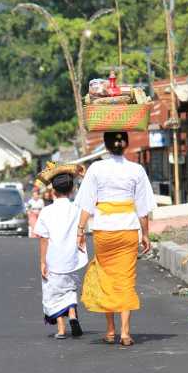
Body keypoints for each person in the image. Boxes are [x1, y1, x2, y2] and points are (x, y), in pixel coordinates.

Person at [74, 131, 156, 346]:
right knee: (125, 279)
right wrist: (145, 234)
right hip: (128, 230)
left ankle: (110, 331)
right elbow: (143, 209)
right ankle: (126, 333)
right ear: (126, 145)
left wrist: (80, 231)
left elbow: (86, 204)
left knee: (106, 277)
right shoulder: (136, 170)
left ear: (106, 146)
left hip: (104, 231)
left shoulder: (96, 168)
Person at [34, 166, 88, 339]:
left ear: (53, 192)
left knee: (54, 293)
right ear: (71, 190)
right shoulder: (76, 209)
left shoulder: (46, 212)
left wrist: (42, 261)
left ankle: (61, 329)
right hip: (72, 258)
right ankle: (72, 314)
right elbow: (87, 197)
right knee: (70, 288)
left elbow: (43, 238)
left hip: (54, 259)